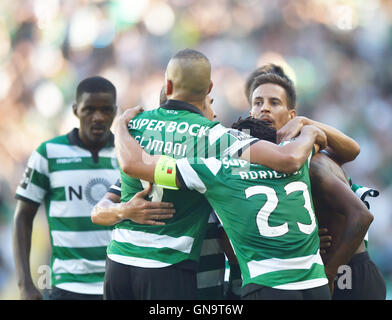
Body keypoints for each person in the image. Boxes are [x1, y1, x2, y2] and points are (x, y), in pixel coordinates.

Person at [104, 49, 326, 300]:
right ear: (209, 88)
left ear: (168, 85)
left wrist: (119, 127)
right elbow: (288, 159)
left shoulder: (135, 124)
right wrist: (310, 130)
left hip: (118, 261)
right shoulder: (216, 138)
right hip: (168, 265)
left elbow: (130, 166)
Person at [246, 64, 383, 296]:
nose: (265, 109)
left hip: (346, 272)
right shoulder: (271, 159)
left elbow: (362, 216)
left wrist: (329, 274)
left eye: (274, 102)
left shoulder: (313, 161)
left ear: (291, 116)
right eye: (258, 103)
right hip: (323, 270)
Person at [13, 76, 120, 300]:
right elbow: (23, 217)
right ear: (75, 110)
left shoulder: (129, 156)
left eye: (106, 110)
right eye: (89, 109)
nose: (98, 117)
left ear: (115, 111)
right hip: (66, 287)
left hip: (117, 284)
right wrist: (25, 285)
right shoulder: (49, 154)